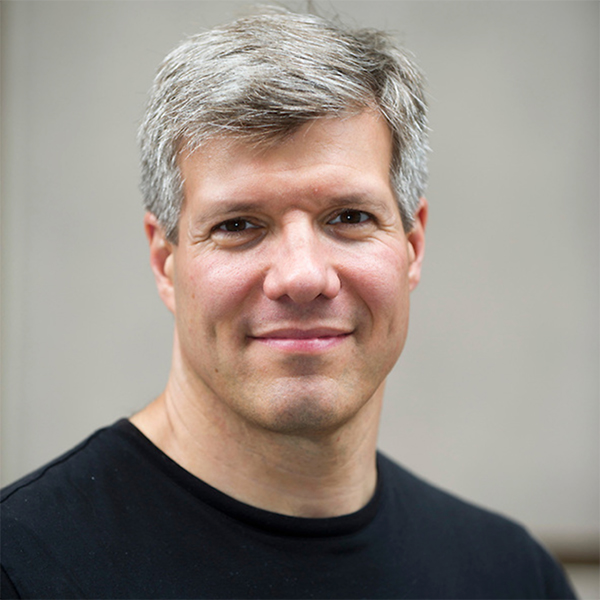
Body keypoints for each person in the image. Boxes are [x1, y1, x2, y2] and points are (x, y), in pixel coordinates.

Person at [1, 8, 576, 599]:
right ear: (164, 261)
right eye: (239, 224)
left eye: (350, 217)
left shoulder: (511, 577)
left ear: (413, 246)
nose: (302, 276)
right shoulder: (22, 566)